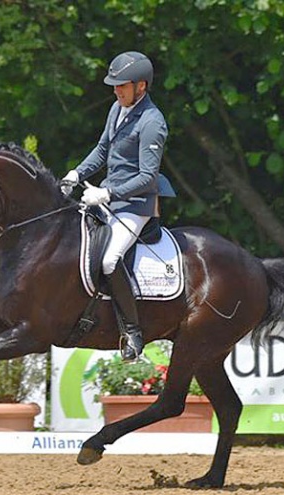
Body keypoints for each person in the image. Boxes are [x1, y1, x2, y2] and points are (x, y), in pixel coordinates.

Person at [60, 51, 175, 362]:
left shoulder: (153, 122)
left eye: (121, 86)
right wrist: (77, 173)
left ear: (141, 86)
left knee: (110, 260)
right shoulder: (117, 108)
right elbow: (101, 150)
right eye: (114, 86)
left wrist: (107, 194)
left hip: (135, 205)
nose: (115, 91)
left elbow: (147, 177)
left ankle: (133, 332)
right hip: (106, 197)